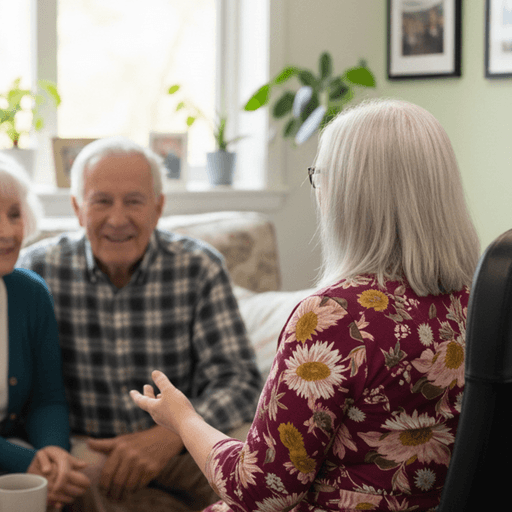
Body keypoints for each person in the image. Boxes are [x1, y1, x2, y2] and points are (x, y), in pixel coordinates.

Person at [130, 99, 481, 512]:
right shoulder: (473, 305)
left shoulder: (334, 318)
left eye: (321, 177)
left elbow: (260, 489)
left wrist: (182, 418)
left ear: (351, 195)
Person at [18, 136, 262, 512]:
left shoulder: (199, 267)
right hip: (88, 447)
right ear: (77, 208)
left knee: (257, 469)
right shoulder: (36, 270)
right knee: (73, 481)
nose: (118, 219)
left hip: (184, 443)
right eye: (101, 201)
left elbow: (240, 381)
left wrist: (172, 435)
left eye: (133, 201)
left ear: (158, 207)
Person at [0, 155, 90, 510]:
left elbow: (46, 397)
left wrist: (53, 450)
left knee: (66, 487)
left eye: (13, 214)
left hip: (13, 454)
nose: (6, 232)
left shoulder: (30, 292)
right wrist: (24, 462)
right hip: (12, 458)